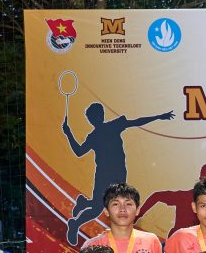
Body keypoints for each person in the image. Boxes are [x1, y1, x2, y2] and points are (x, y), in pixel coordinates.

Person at [62, 102, 175, 245]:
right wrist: (68, 133)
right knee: (98, 208)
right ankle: (75, 223)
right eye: (92, 117)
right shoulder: (94, 136)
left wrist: (158, 117)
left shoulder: (113, 126)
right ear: (90, 119)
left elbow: (136, 122)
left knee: (114, 202)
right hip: (103, 175)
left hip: (119, 173)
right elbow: (79, 152)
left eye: (97, 115)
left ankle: (84, 203)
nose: (95, 119)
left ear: (101, 115)